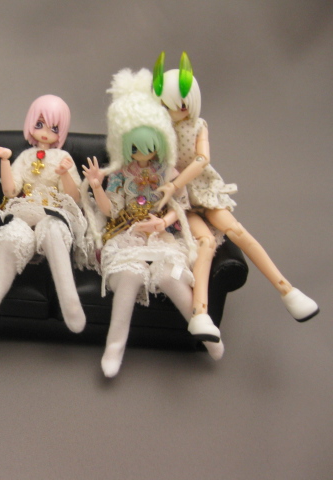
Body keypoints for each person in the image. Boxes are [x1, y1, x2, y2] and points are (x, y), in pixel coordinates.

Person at [153, 52, 319, 326]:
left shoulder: (198, 126)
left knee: (237, 231)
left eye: (180, 105)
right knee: (205, 242)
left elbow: (202, 159)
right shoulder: (161, 132)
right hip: (181, 201)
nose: (174, 111)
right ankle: (200, 314)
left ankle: (287, 290)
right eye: (167, 106)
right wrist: (170, 186)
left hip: (202, 190)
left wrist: (175, 183)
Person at [81, 68, 223, 378]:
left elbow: (181, 206)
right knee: (130, 276)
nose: (143, 155)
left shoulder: (168, 172)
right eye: (135, 148)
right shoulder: (120, 175)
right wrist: (96, 187)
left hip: (162, 238)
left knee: (170, 277)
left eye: (150, 147)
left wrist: (163, 222)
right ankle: (114, 346)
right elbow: (109, 211)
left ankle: (204, 329)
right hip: (127, 235)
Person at [0, 95, 89, 340]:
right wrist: (4, 161)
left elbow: (74, 198)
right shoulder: (24, 157)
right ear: (30, 123)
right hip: (25, 210)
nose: (45, 132)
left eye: (54, 128)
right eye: (39, 124)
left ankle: (69, 300)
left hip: (52, 211)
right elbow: (10, 191)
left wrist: (64, 174)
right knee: (12, 237)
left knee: (53, 230)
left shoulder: (63, 157)